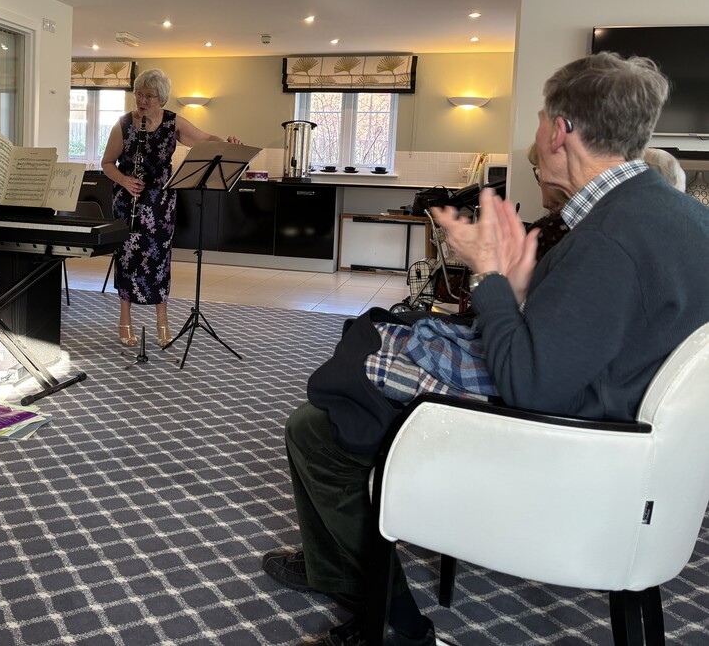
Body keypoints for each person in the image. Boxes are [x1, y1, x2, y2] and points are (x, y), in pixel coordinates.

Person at [264, 52, 709, 646]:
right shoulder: (677, 215)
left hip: (573, 455)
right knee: (357, 382)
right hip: (629, 448)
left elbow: (531, 383)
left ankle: (390, 623)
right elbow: (597, 328)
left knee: (319, 424)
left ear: (559, 130)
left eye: (538, 122)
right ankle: (335, 566)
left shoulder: (610, 238)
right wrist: (526, 291)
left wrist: (490, 276)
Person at [100, 68, 242, 347]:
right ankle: (124, 322)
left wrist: (227, 142)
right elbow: (106, 163)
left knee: (159, 262)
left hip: (161, 205)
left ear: (162, 99)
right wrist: (125, 180)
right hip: (129, 201)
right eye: (139, 94)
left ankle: (162, 323)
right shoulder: (123, 124)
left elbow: (204, 140)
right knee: (127, 260)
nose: (142, 100)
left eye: (149, 96)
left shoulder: (173, 123)